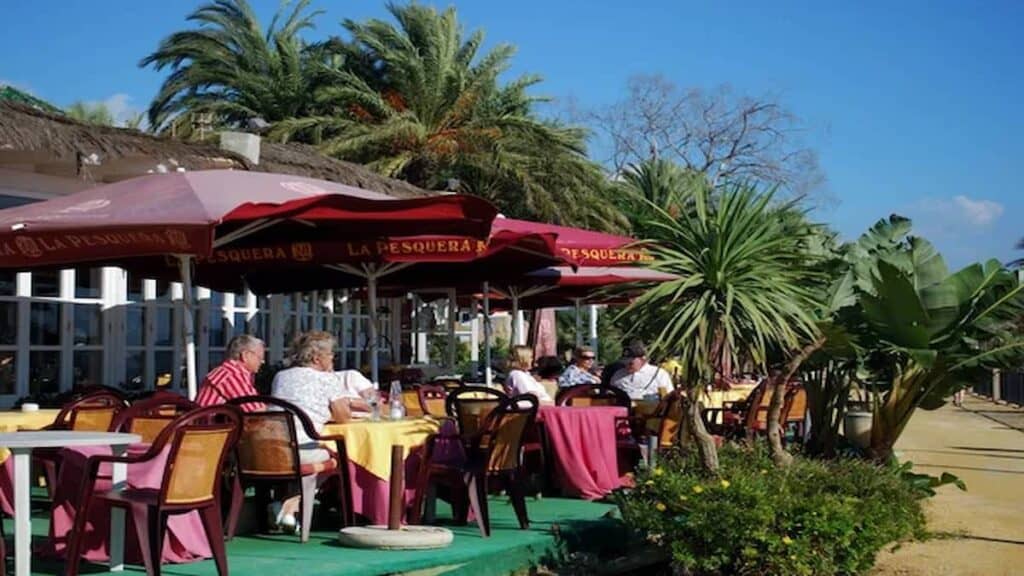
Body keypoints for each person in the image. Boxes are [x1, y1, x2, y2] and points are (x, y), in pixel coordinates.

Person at [270, 331, 372, 530]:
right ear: (317, 358)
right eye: (331, 354)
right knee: (343, 457)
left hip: (272, 447)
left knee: (322, 450)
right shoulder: (327, 380)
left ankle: (285, 506)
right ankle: (291, 507)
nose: (333, 357)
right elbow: (343, 417)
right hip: (302, 450)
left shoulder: (280, 377)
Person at [195, 334, 266, 412]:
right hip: (212, 423)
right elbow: (257, 410)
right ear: (245, 355)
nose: (262, 362)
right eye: (260, 357)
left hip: (214, 422)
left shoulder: (225, 371)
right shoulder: (231, 375)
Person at [609, 341, 674, 400]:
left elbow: (668, 396)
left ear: (643, 359)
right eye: (624, 363)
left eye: (630, 363)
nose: (627, 366)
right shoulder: (618, 375)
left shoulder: (659, 374)